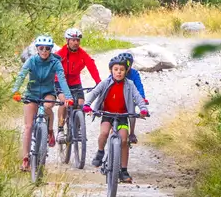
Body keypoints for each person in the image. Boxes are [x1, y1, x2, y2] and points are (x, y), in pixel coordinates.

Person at [83, 53, 149, 182]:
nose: (119, 72)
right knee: (104, 133)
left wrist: (143, 109)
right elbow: (95, 92)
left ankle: (123, 170)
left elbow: (138, 97)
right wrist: (87, 105)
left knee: (124, 140)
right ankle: (100, 151)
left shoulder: (130, 84)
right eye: (116, 70)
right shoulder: (106, 82)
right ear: (111, 70)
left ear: (126, 71)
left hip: (123, 116)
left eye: (122, 70)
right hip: (107, 114)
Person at [11, 35, 67, 172]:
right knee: (28, 126)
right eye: (41, 48)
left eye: (47, 48)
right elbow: (21, 76)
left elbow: (62, 79)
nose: (44, 51)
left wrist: (68, 97)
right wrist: (15, 91)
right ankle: (25, 159)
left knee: (48, 106)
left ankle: (49, 131)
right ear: (37, 49)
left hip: (48, 92)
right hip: (32, 94)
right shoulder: (31, 61)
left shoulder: (55, 62)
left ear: (51, 49)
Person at [54, 27, 100, 141]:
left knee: (80, 104)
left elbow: (91, 66)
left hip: (75, 82)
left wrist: (98, 82)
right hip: (60, 81)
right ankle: (60, 129)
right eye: (73, 40)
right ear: (67, 40)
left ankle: (78, 129)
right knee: (64, 102)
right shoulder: (60, 54)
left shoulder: (82, 53)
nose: (75, 42)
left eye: (77, 40)